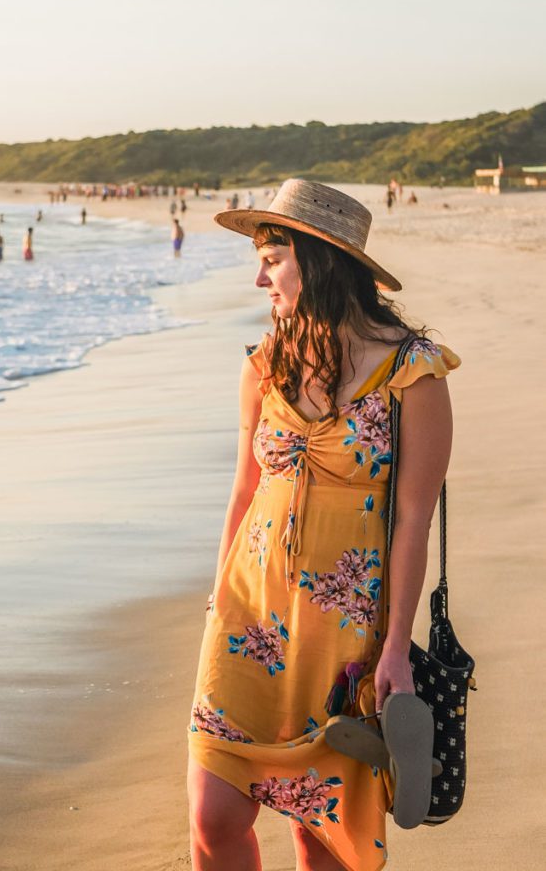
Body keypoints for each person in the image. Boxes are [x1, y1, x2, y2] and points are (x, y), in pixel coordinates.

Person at [187, 179, 459, 871]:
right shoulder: (263, 365)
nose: (258, 277)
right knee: (212, 817)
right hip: (248, 617)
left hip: (343, 634)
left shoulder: (411, 374)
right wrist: (220, 595)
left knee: (320, 835)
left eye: (271, 257)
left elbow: (410, 520)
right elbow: (244, 486)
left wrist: (395, 646)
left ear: (317, 259)